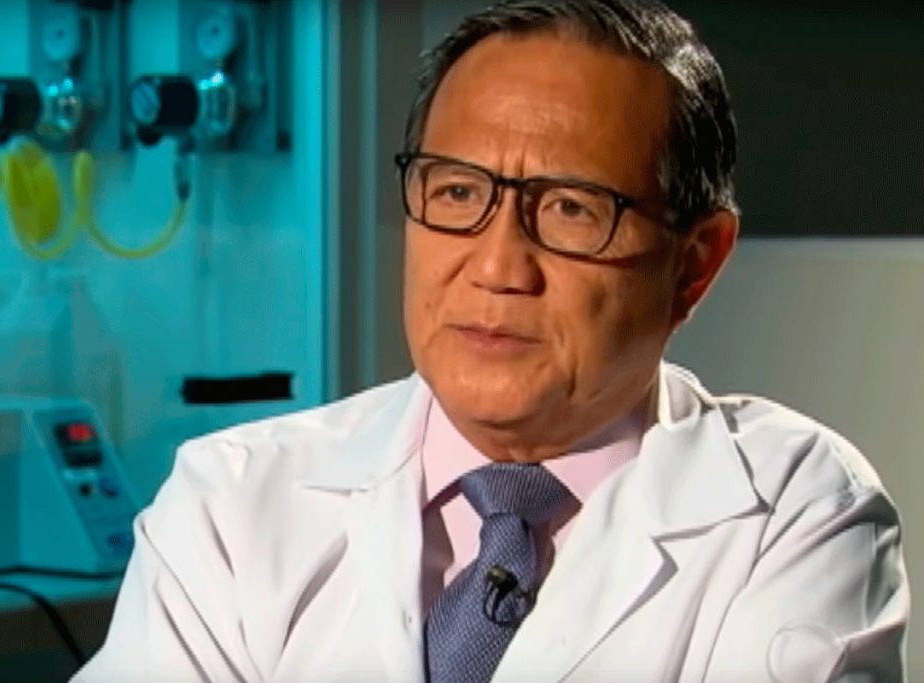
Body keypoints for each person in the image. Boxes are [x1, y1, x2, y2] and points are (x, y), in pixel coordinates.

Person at [73, 0, 909, 680]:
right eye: (457, 192)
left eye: (572, 208)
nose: (499, 265)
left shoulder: (793, 515)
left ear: (694, 264)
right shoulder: (231, 505)